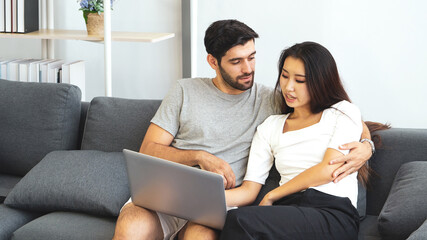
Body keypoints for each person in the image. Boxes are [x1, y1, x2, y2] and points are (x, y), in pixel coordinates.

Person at [113, 21, 373, 240]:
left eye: (252, 57)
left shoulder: (271, 99)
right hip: (168, 192)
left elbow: (343, 113)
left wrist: (366, 146)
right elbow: (149, 150)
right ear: (213, 61)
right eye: (236, 61)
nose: (248, 69)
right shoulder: (184, 91)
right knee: (132, 223)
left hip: (220, 202)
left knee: (211, 231)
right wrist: (199, 156)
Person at [220, 41, 383, 240]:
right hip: (288, 212)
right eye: (285, 76)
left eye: (300, 80)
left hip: (331, 213)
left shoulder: (343, 112)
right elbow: (249, 190)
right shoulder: (270, 127)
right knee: (230, 218)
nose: (288, 87)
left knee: (238, 221)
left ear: (321, 81)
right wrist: (202, 200)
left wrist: (273, 194)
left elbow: (328, 169)